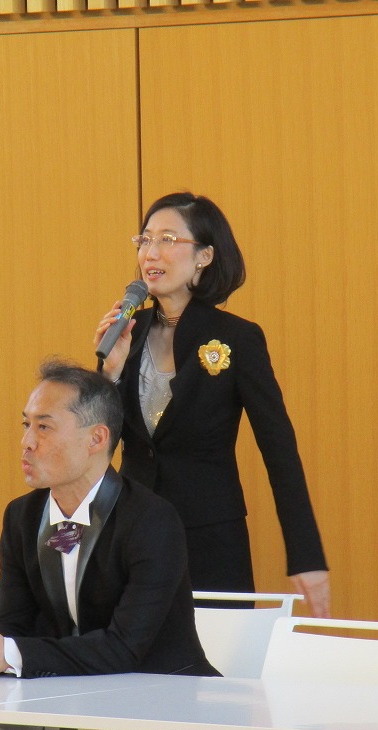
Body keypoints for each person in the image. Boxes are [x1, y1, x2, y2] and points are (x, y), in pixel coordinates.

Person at [94, 192, 331, 617]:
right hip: (131, 533)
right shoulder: (127, 332)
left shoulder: (237, 338)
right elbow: (93, 444)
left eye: (168, 239)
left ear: (204, 256)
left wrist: (306, 555)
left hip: (209, 541)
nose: (151, 252)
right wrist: (109, 374)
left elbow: (279, 449)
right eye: (145, 240)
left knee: (215, 657)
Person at [0, 359, 216, 681]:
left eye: (44, 427)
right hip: (69, 689)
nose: (27, 442)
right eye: (26, 424)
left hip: (164, 691)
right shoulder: (22, 517)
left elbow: (123, 648)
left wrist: (9, 653)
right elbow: (13, 624)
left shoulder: (152, 521)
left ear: (96, 439)